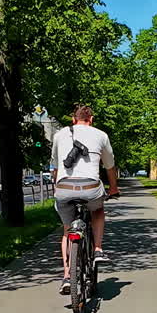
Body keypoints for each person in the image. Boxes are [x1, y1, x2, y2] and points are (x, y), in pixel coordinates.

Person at [51, 104, 119, 295]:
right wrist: (113, 188)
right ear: (92, 120)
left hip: (64, 188)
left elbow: (55, 167)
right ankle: (97, 249)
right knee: (98, 210)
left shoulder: (59, 135)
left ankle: (67, 276)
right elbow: (110, 167)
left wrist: (58, 186)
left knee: (67, 230)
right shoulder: (101, 135)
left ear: (73, 120)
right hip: (90, 188)